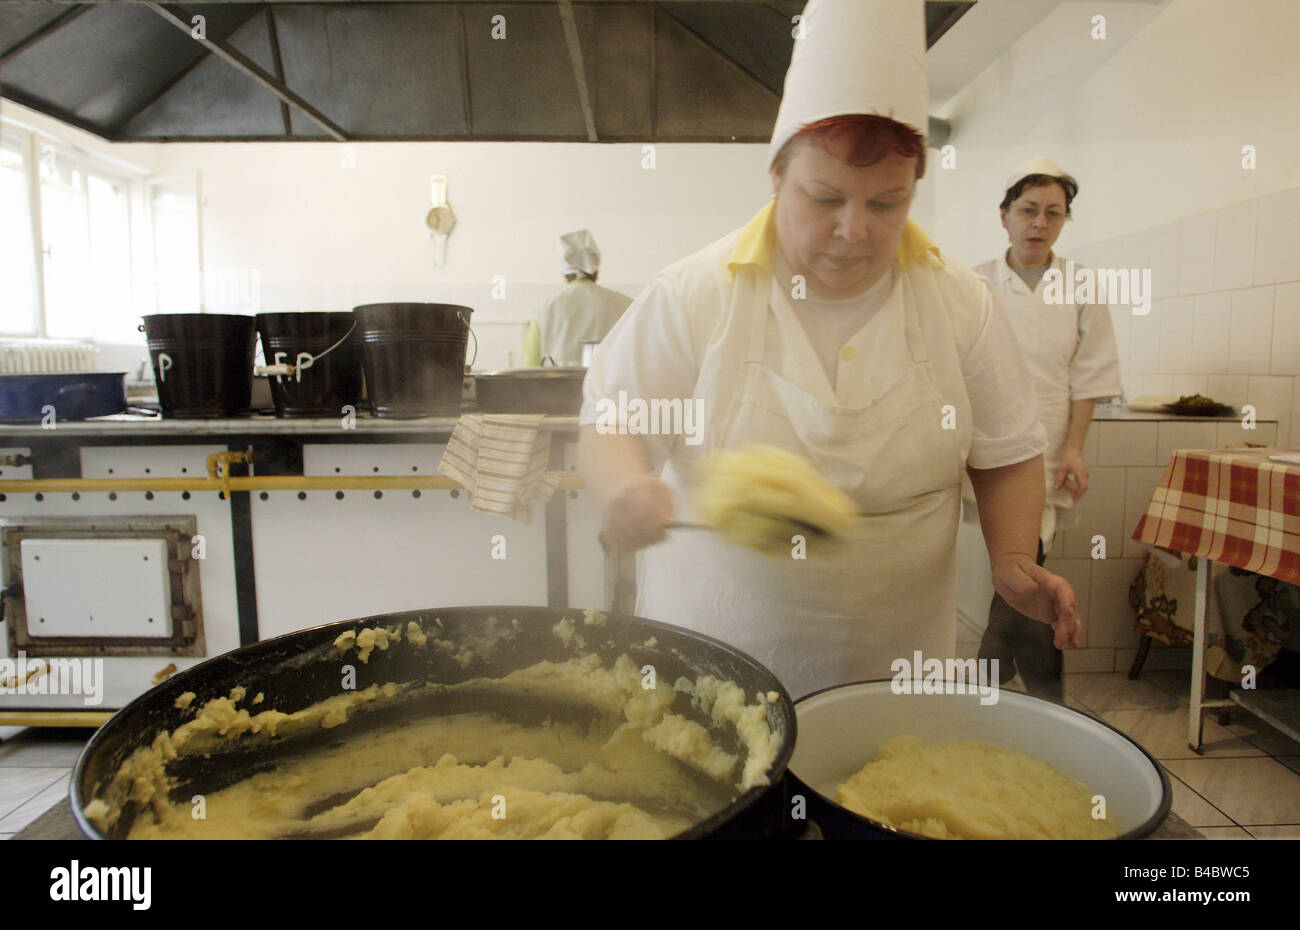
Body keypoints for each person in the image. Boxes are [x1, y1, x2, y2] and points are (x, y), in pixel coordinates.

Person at [578, 0, 1082, 699]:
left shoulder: (959, 302)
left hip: (894, 664)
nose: (853, 230)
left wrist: (1014, 557)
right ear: (777, 177)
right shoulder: (697, 292)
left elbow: (1007, 449)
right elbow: (614, 422)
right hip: (718, 658)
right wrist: (628, 485)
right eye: (824, 198)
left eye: (885, 205)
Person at [973, 158, 1122, 702]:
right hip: (981, 451)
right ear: (1005, 215)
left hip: (1049, 449)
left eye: (1053, 213)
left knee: (1024, 563)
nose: (1039, 223)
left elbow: (1091, 375)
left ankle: (1005, 679)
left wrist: (1076, 450)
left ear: (1064, 221)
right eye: (1029, 210)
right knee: (1008, 569)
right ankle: (1029, 688)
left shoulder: (1081, 285)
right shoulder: (974, 283)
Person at [536, 230, 632, 366]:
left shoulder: (546, 307)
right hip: (612, 386)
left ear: (565, 273)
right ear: (596, 271)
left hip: (558, 387)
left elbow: (531, 362)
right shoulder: (626, 304)